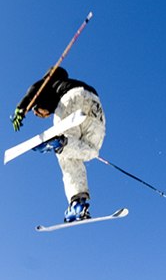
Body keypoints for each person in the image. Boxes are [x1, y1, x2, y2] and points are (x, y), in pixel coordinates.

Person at [11, 67, 105, 222]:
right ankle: (81, 207)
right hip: (95, 104)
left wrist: (21, 108)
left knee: (67, 157)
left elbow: (33, 89)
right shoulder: (67, 82)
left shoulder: (49, 84)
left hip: (70, 100)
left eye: (38, 112)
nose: (40, 115)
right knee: (91, 150)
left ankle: (76, 203)